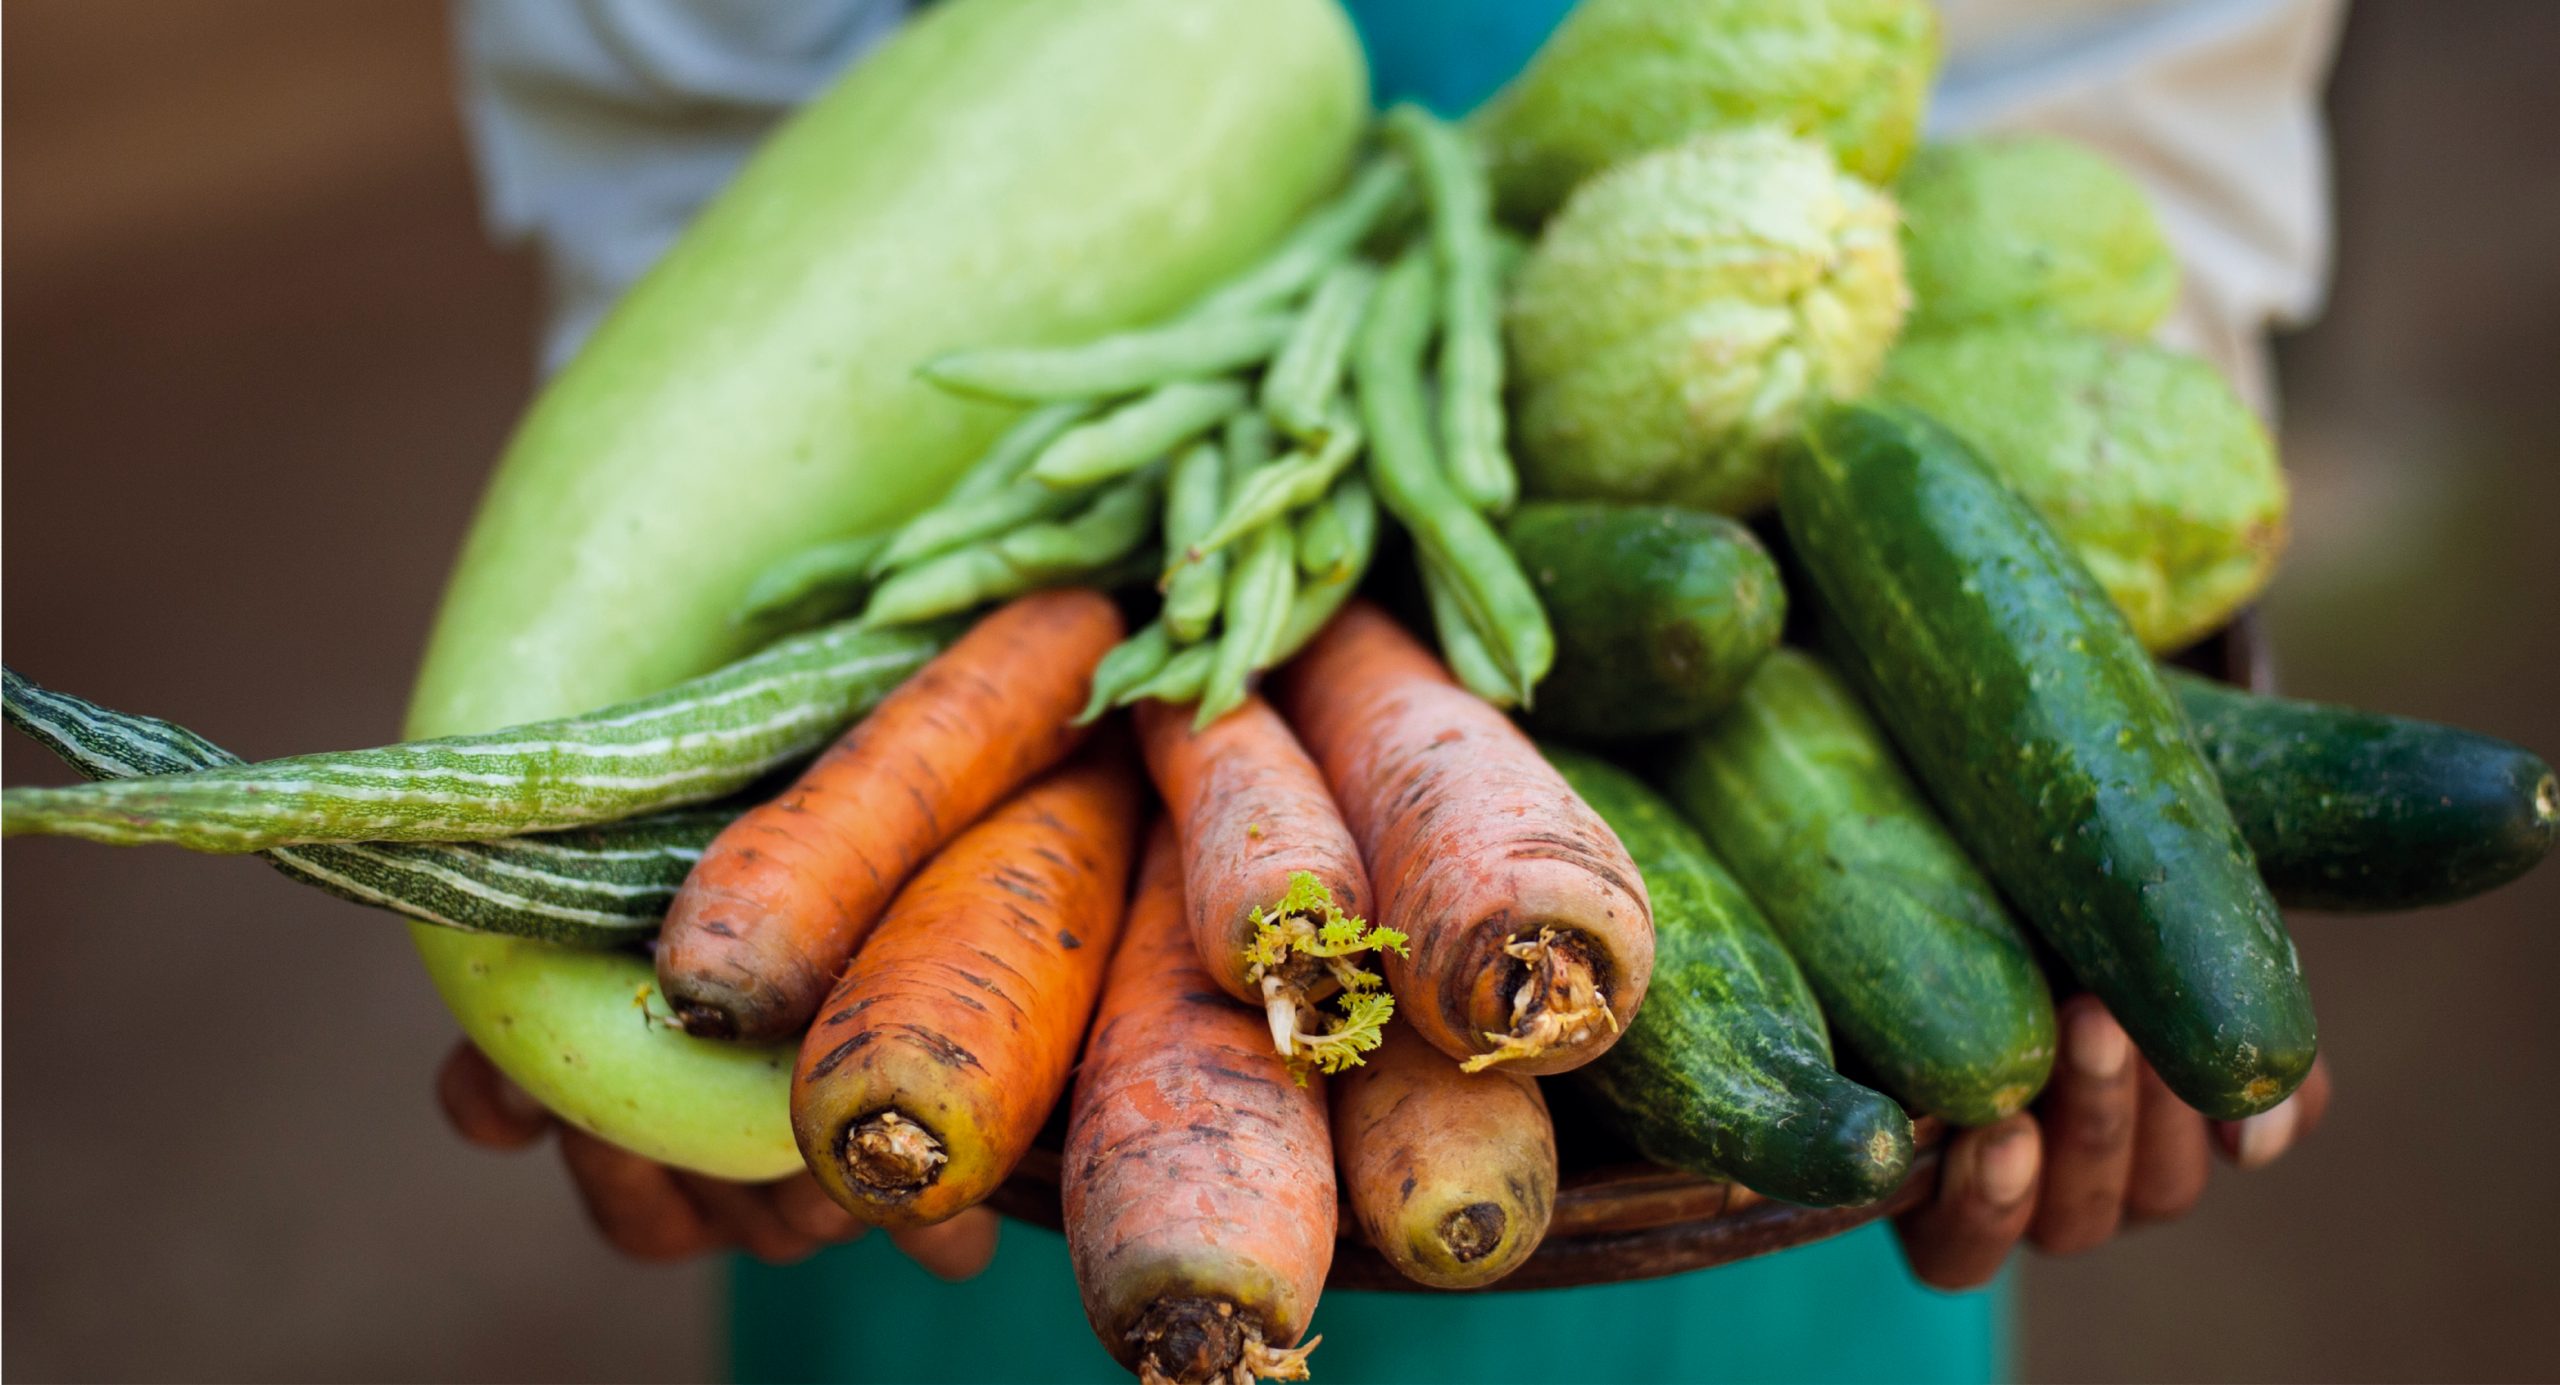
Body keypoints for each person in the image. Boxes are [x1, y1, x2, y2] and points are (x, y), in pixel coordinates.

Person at [435, 2, 2345, 1380]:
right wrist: (639, 779)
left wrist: (2120, 817)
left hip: (1759, 1246)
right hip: (964, 1183)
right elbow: (689, 135)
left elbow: (2106, 92)